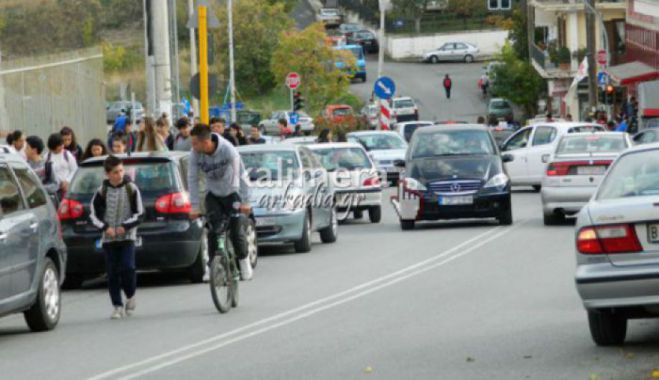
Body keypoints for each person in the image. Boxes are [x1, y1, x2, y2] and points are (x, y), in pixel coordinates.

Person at [187, 124, 253, 281]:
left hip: (232, 193)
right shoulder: (195, 154)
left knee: (236, 231)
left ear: (206, 142)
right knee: (214, 231)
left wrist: (245, 201)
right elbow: (192, 179)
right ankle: (212, 267)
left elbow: (242, 174)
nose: (192, 146)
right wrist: (195, 206)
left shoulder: (228, 149)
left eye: (195, 143)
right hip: (213, 194)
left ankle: (244, 262)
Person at [89, 155, 144, 320]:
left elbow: (140, 213)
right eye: (115, 172)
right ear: (107, 174)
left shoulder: (131, 188)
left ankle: (131, 294)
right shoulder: (101, 191)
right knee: (112, 272)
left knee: (127, 267)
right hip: (109, 240)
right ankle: (117, 306)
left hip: (127, 237)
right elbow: (92, 215)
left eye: (121, 170)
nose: (119, 174)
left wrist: (125, 226)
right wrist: (105, 228)